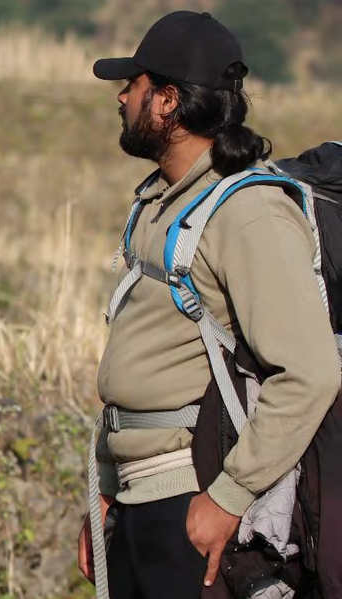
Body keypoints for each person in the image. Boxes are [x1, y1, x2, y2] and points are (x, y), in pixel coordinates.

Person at [77, 11, 341, 599]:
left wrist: (228, 499)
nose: (121, 97)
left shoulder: (248, 214)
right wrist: (107, 488)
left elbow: (310, 372)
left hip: (192, 505)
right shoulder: (161, 202)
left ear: (167, 100)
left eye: (134, 84)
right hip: (135, 499)